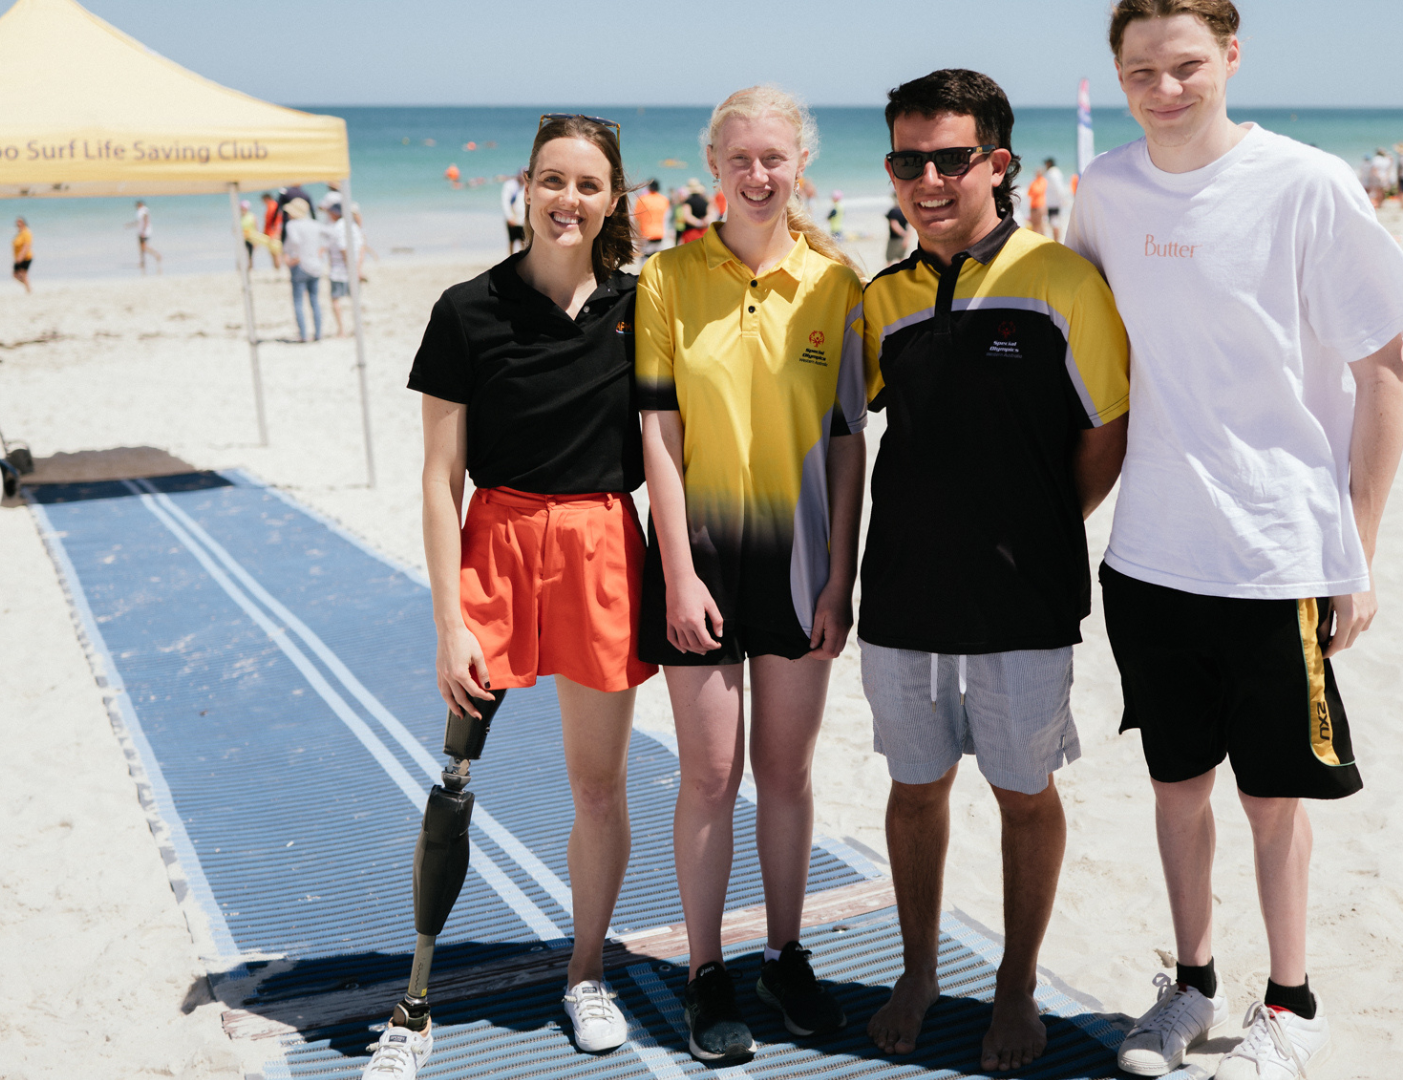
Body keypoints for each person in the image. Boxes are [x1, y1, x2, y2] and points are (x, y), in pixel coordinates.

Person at [1069, 4, 1403, 1078]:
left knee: (1269, 802)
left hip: (1276, 553)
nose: (1163, 88)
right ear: (1117, 74)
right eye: (1140, 70)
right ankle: (1187, 987)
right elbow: (1084, 362)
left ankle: (1289, 1005)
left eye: (1184, 65)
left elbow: (1384, 373)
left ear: (1230, 57)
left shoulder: (1306, 183)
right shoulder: (1103, 192)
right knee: (1174, 789)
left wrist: (1354, 550)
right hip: (1147, 557)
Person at [366, 114, 657, 1078]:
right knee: (454, 781)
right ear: (525, 187)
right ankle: (414, 1001)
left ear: (612, 199)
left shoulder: (642, 307)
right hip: (494, 547)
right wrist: (448, 622)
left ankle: (585, 974)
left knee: (597, 786)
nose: (569, 200)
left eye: (588, 184)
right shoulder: (465, 310)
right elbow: (437, 478)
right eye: (554, 181)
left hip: (603, 549)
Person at [856, 68, 1130, 1075]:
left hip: (1022, 598)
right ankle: (920, 970)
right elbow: (844, 432)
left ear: (996, 164)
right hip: (898, 596)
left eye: (949, 158)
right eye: (906, 160)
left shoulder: (1059, 281)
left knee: (1023, 794)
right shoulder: (878, 300)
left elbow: (1107, 428)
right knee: (914, 787)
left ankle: (1014, 986)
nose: (927, 179)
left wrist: (1041, 522)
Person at [635, 84, 865, 1065]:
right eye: (740, 159)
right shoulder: (667, 278)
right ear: (713, 169)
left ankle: (782, 954)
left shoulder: (837, 283)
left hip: (802, 561)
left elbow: (851, 443)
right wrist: (676, 572)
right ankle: (704, 973)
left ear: (797, 164)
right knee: (707, 774)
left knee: (784, 771)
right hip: (699, 558)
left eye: (775, 158)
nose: (758, 174)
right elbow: (656, 429)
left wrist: (838, 577)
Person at [282, 200, 327, 342]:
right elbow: (327, 238)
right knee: (314, 300)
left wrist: (293, 258)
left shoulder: (292, 225)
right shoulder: (315, 224)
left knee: (298, 301)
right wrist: (319, 252)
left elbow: (294, 242)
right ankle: (318, 334)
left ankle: (303, 335)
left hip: (300, 265)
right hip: (316, 265)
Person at [324, 201, 369, 338]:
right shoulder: (354, 227)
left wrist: (351, 269)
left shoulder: (337, 227)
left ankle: (341, 330)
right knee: (354, 300)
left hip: (339, 270)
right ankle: (357, 328)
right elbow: (362, 248)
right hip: (354, 268)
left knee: (336, 299)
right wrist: (357, 268)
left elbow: (344, 249)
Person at [632, 178, 671, 257]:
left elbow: (637, 218)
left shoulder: (642, 199)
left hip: (646, 233)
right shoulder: (664, 200)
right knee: (657, 258)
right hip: (660, 233)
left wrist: (637, 235)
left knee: (646, 258)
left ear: (649, 187)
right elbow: (667, 217)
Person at [126, 200, 162, 273]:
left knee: (144, 247)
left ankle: (157, 255)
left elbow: (146, 219)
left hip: (144, 232)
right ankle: (143, 262)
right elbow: (139, 221)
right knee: (141, 248)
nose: (136, 207)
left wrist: (144, 229)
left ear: (140, 205)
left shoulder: (143, 210)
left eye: (137, 205)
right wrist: (130, 225)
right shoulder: (141, 211)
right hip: (141, 231)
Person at [675, 177, 711, 244]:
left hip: (690, 233)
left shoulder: (688, 202)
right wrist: (703, 222)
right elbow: (710, 215)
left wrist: (698, 223)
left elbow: (687, 216)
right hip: (704, 232)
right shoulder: (705, 202)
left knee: (690, 253)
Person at [1040, 156, 1067, 239]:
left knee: (1055, 223)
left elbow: (1058, 187)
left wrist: (1063, 199)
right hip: (1053, 202)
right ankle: (1056, 241)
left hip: (1054, 203)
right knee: (1053, 223)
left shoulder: (1053, 173)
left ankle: (1056, 241)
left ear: (1049, 164)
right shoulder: (1053, 172)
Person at [501, 173, 527, 254]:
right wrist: (509, 217)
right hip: (513, 218)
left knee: (523, 241)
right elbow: (505, 202)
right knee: (512, 241)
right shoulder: (511, 186)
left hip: (522, 220)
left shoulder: (526, 188)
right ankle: (511, 259)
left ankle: (522, 260)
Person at [11, 217, 33, 293]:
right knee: (16, 275)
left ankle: (28, 289)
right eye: (17, 222)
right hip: (18, 257)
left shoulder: (26, 233)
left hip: (25, 257)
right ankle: (28, 287)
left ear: (23, 223)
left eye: (20, 222)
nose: (18, 224)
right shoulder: (20, 233)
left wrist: (21, 256)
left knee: (23, 274)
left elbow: (26, 246)